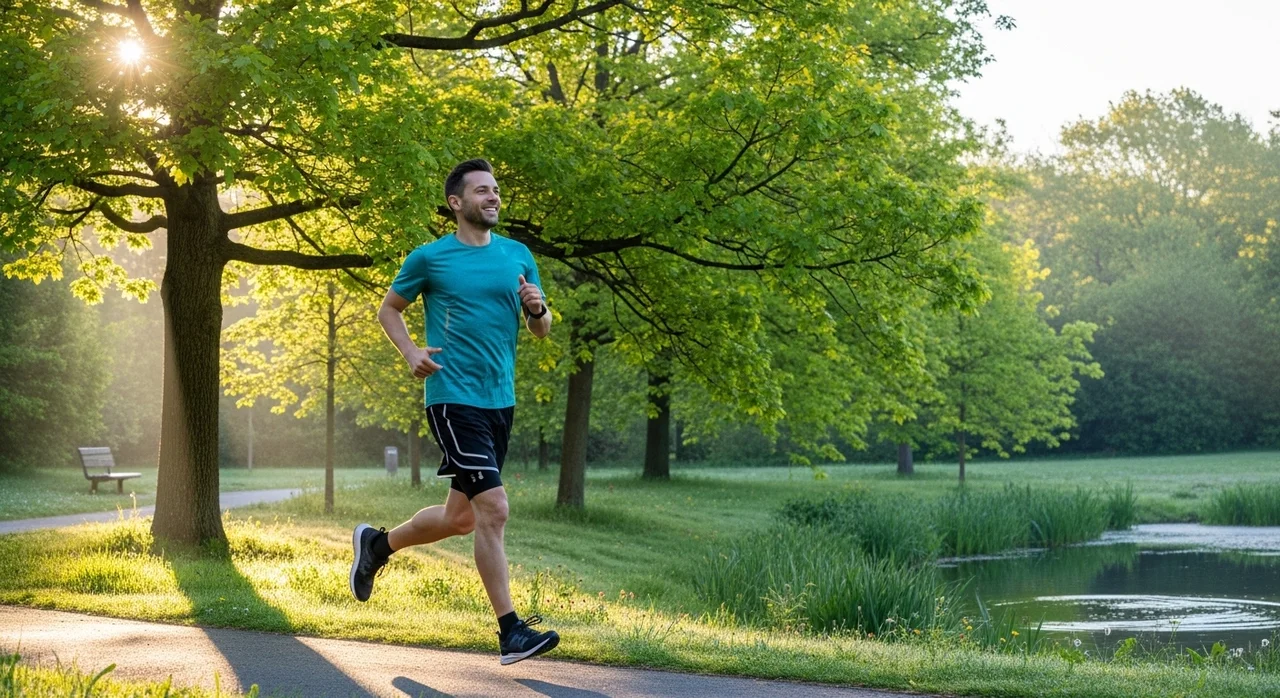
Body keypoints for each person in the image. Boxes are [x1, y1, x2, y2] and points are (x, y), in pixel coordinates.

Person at [349, 158, 558, 665]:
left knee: (460, 518)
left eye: (496, 191)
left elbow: (542, 329)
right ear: (456, 203)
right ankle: (510, 632)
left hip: (498, 401)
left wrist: (536, 309)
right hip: (452, 398)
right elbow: (389, 308)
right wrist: (411, 353)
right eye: (482, 191)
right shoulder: (430, 259)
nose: (493, 198)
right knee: (495, 509)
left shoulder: (518, 255)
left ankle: (377, 547)